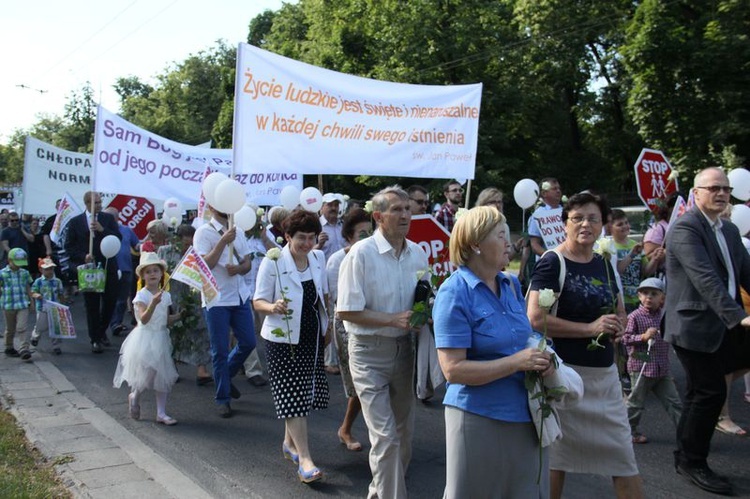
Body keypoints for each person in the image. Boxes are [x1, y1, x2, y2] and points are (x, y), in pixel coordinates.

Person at [433, 206, 556, 498]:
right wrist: (516, 362)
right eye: (501, 235)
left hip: (527, 415)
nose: (509, 242)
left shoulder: (511, 284)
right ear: (475, 244)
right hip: (478, 416)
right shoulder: (454, 292)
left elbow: (524, 337)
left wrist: (544, 356)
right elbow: (453, 370)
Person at [527, 192, 643, 499]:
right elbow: (536, 319)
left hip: (605, 380)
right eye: (576, 218)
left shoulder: (604, 263)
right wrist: (589, 328)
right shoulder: (553, 262)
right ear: (565, 223)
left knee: (624, 458)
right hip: (563, 380)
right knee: (556, 460)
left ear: (602, 224)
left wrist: (618, 325)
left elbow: (619, 310)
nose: (585, 224)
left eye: (592, 218)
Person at [337, 185, 429, 499]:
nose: (405, 214)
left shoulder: (418, 252)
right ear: (378, 216)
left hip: (405, 350)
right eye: (396, 209)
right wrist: (391, 319)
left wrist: (422, 315)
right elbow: (346, 310)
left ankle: (381, 491)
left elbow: (421, 295)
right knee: (386, 437)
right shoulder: (360, 254)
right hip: (367, 353)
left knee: (404, 434)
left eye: (407, 208)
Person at [664, 167, 750, 495]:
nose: (722, 194)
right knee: (709, 392)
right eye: (714, 188)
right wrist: (739, 316)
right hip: (694, 325)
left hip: (725, 322)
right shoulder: (685, 228)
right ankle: (692, 461)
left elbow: (746, 273)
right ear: (696, 193)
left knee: (700, 394)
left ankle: (686, 454)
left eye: (726, 189)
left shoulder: (727, 230)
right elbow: (705, 279)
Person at [254, 210, 330, 484]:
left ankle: (288, 443)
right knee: (293, 396)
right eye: (301, 238)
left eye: (311, 237)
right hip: (281, 337)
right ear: (286, 236)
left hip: (312, 335)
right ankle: (305, 459)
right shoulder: (272, 262)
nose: (307, 244)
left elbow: (323, 295)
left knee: (302, 392)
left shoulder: (318, 258)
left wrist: (328, 324)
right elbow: (258, 300)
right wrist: (272, 306)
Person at [193, 204, 257, 418]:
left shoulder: (238, 230)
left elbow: (247, 263)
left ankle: (225, 378)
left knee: (249, 342)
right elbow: (204, 264)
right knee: (219, 350)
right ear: (212, 205)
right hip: (216, 299)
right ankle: (223, 398)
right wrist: (222, 242)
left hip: (239, 296)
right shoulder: (203, 232)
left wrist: (238, 269)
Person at [113, 252, 180, 425]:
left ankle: (161, 413)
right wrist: (153, 303)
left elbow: (165, 319)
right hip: (145, 338)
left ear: (161, 274)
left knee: (162, 374)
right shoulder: (141, 296)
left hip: (160, 336)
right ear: (142, 275)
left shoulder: (165, 295)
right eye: (148, 271)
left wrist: (180, 316)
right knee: (146, 374)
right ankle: (135, 396)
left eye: (155, 271)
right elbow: (143, 318)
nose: (152, 274)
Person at [325, 207, 372, 453]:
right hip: (347, 325)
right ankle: (347, 429)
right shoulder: (337, 261)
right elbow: (336, 301)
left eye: (370, 232)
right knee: (359, 383)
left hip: (373, 321)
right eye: (361, 233)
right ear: (349, 237)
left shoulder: (378, 254)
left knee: (370, 382)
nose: (368, 238)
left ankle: (349, 429)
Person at [621, 277, 682, 444]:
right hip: (640, 367)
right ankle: (629, 432)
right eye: (645, 293)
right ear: (639, 296)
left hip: (662, 368)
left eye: (654, 294)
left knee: (674, 402)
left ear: (662, 298)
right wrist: (642, 336)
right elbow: (625, 339)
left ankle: (686, 433)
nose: (649, 297)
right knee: (635, 403)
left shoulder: (664, 316)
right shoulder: (634, 316)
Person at [64, 191, 121, 353]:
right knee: (92, 305)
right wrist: (84, 256)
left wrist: (103, 230)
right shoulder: (76, 222)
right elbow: (69, 246)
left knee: (110, 302)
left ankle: (101, 330)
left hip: (108, 266)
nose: (99, 205)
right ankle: (95, 338)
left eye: (100, 202)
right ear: (87, 204)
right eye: (96, 203)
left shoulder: (107, 219)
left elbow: (118, 238)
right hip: (89, 269)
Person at [157, 224, 213, 386]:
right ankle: (172, 367)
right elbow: (158, 272)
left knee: (200, 330)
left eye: (191, 243)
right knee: (173, 331)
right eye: (185, 243)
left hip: (193, 295)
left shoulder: (198, 253)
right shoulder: (165, 251)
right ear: (177, 240)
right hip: (172, 296)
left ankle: (201, 369)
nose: (187, 246)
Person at [609, 209, 663, 312]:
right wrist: (631, 255)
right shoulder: (609, 247)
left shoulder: (635, 244)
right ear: (610, 228)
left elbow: (646, 271)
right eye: (620, 224)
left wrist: (655, 259)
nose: (625, 226)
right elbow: (617, 271)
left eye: (626, 222)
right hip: (621, 299)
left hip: (638, 298)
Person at [104, 207, 140, 336]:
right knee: (110, 298)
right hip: (109, 270)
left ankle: (116, 323)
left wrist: (144, 246)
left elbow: (136, 244)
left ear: (116, 218)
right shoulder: (103, 231)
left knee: (122, 299)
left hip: (126, 269)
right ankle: (112, 323)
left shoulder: (126, 230)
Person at [1, 248, 34, 361]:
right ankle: (9, 346)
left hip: (22, 304)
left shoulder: (24, 273)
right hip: (8, 304)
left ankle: (24, 349)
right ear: (9, 260)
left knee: (22, 327)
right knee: (10, 329)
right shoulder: (2, 273)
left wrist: (31, 301)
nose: (18, 266)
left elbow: (28, 287)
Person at [475, 187, 524, 260]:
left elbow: (506, 257)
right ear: (483, 204)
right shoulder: (476, 224)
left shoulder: (504, 226)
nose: (497, 205)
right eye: (492, 202)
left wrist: (516, 248)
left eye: (499, 202)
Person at [30, 257, 65, 355]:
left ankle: (56, 346)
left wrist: (63, 305)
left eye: (51, 269)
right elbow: (32, 292)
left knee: (56, 327)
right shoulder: (39, 281)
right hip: (42, 308)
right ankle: (35, 337)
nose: (50, 271)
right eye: (47, 269)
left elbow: (61, 294)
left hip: (55, 307)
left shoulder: (57, 281)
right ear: (41, 270)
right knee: (40, 325)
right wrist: (37, 295)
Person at [528, 178, 563, 259]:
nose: (558, 191)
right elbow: (534, 245)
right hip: (548, 263)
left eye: (559, 188)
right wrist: (551, 257)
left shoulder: (567, 212)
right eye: (554, 189)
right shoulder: (538, 215)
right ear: (544, 193)